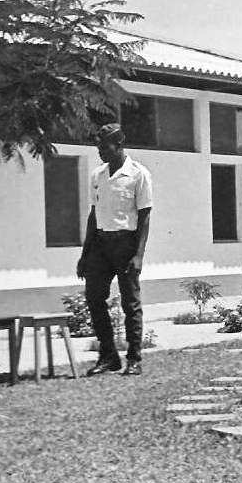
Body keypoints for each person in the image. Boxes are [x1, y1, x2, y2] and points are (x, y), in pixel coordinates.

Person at [76, 123, 152, 376]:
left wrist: (139, 255)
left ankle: (134, 359)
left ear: (119, 145)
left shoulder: (139, 174)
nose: (100, 151)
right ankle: (109, 356)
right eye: (98, 147)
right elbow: (93, 214)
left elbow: (144, 217)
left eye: (104, 147)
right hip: (100, 244)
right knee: (94, 297)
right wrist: (85, 254)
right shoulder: (97, 175)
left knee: (131, 303)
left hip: (126, 244)